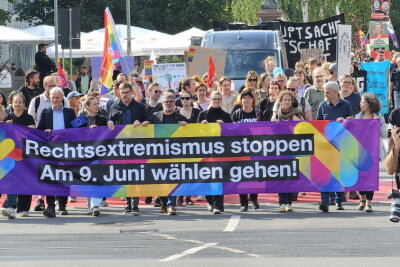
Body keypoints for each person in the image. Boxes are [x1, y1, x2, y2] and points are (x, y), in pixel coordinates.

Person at [144, 93, 188, 215]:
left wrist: (185, 126)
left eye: (171, 101)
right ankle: (163, 202)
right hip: (158, 155)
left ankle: (171, 204)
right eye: (166, 101)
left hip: (174, 156)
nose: (168, 103)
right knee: (160, 180)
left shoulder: (180, 118)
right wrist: (144, 125)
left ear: (174, 103)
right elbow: (146, 133)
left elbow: (189, 135)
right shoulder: (154, 117)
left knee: (172, 180)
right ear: (162, 103)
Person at [108, 82, 147, 215]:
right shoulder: (114, 106)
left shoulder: (140, 107)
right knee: (124, 176)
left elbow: (149, 122)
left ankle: (135, 205)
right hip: (120, 147)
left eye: (126, 92)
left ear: (131, 93)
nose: (124, 95)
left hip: (136, 147)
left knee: (134, 176)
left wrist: (141, 123)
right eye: (122, 92)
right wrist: (110, 122)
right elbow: (110, 120)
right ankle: (127, 204)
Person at [37, 87, 77, 218]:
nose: (54, 100)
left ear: (62, 98)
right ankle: (50, 206)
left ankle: (62, 205)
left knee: (64, 178)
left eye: (57, 97)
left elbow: (77, 128)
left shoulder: (70, 112)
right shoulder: (45, 112)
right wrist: (45, 132)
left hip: (65, 149)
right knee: (50, 177)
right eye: (52, 97)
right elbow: (38, 130)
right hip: (50, 150)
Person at [316, 81, 354, 212]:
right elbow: (318, 125)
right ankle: (325, 202)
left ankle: (339, 201)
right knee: (325, 174)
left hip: (341, 144)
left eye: (327, 91)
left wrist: (346, 119)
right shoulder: (322, 105)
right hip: (326, 145)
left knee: (338, 173)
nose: (324, 94)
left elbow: (352, 120)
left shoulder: (346, 105)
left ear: (334, 92)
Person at [197, 91, 232, 214]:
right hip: (206, 153)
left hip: (220, 153)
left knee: (218, 179)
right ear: (210, 99)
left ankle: (218, 206)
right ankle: (210, 202)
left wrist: (225, 127)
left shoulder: (226, 116)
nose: (216, 100)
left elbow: (232, 134)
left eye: (219, 99)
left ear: (221, 101)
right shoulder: (202, 115)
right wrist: (201, 126)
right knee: (206, 179)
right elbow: (194, 134)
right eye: (214, 98)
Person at [1, 93, 35, 219]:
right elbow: (3, 136)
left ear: (24, 104)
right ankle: (10, 207)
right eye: (16, 102)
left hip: (25, 154)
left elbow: (32, 133)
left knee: (25, 179)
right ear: (12, 103)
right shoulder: (8, 118)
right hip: (11, 155)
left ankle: (24, 208)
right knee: (11, 180)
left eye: (20, 102)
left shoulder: (29, 118)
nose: (18, 104)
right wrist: (7, 126)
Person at [272, 90, 304, 212]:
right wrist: (274, 122)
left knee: (291, 176)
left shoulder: (297, 114)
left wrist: (298, 121)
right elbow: (270, 129)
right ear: (280, 102)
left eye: (289, 100)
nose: (287, 102)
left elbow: (305, 128)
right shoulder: (276, 115)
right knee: (281, 176)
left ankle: (289, 203)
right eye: (284, 99)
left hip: (293, 149)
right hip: (279, 150)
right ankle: (281, 203)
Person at [79, 97, 110, 216]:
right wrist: (87, 131)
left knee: (98, 178)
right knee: (88, 179)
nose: (97, 106)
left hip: (100, 154)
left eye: (98, 104)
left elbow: (109, 131)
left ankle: (95, 205)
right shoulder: (80, 119)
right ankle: (89, 206)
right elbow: (71, 132)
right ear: (87, 107)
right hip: (85, 154)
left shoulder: (103, 119)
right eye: (94, 104)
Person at [356, 93, 386, 212]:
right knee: (361, 177)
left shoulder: (379, 117)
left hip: (373, 152)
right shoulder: (357, 117)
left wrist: (379, 125)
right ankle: (362, 198)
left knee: (371, 177)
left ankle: (369, 202)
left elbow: (384, 135)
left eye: (363, 102)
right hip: (359, 152)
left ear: (369, 104)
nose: (360, 104)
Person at [231, 90, 260, 212]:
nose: (246, 100)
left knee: (255, 176)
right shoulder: (236, 114)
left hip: (255, 149)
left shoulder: (258, 113)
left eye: (249, 97)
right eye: (244, 98)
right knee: (241, 177)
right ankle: (243, 203)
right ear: (240, 99)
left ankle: (254, 199)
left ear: (253, 100)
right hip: (240, 150)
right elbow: (230, 131)